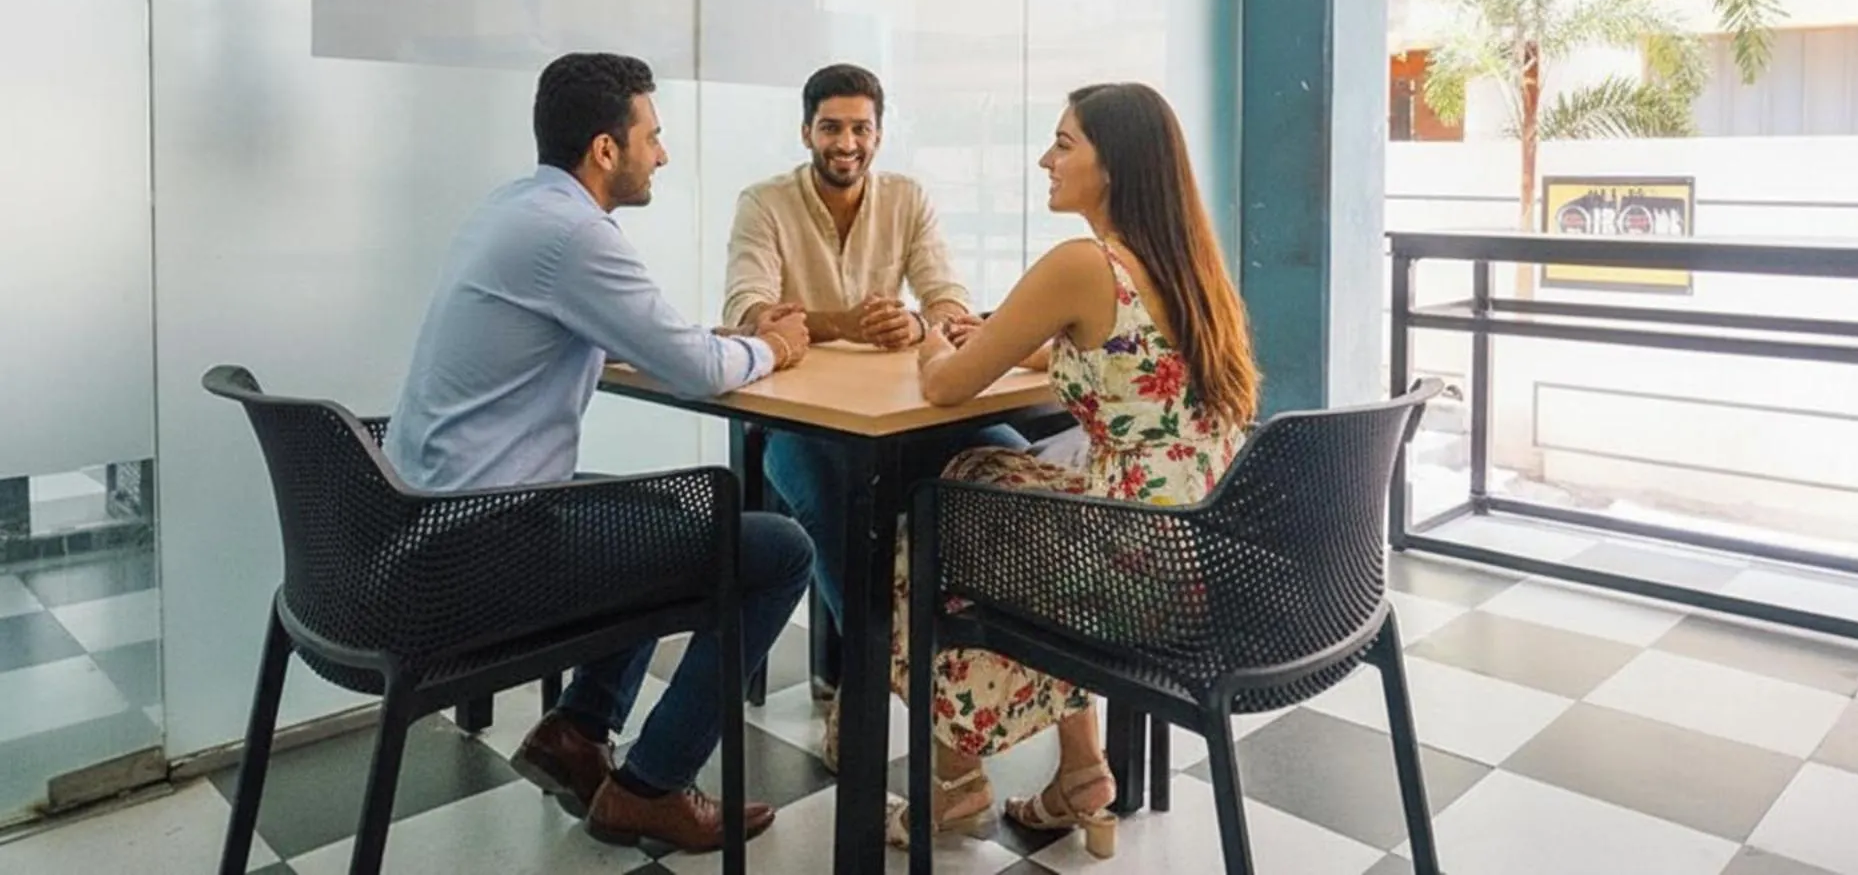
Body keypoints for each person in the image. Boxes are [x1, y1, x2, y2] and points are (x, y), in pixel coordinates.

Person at [384, 53, 814, 853]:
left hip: (430, 512)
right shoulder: (575, 235)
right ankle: (649, 788)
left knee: (649, 513)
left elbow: (636, 335)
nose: (664, 153)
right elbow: (694, 370)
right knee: (778, 547)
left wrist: (717, 343)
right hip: (482, 538)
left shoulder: (514, 208)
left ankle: (577, 732)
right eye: (652, 134)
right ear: (605, 149)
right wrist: (773, 348)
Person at [886, 82, 1260, 856]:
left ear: (1112, 165)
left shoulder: (1081, 263)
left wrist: (933, 338)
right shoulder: (1186, 258)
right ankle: (1082, 770)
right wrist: (1002, 335)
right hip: (1203, 540)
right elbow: (1098, 348)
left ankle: (955, 776)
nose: (1045, 159)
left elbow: (947, 385)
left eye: (1064, 143)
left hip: (1135, 556)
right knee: (990, 481)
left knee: (938, 522)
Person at [722, 63, 1028, 761]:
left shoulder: (907, 198)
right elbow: (746, 311)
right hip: (798, 423)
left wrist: (920, 321)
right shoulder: (764, 202)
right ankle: (865, 681)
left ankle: (972, 670)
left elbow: (949, 299)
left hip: (896, 415)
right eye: (831, 127)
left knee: (1013, 461)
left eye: (861, 128)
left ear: (879, 133)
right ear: (806, 131)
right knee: (835, 502)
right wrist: (843, 324)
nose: (847, 142)